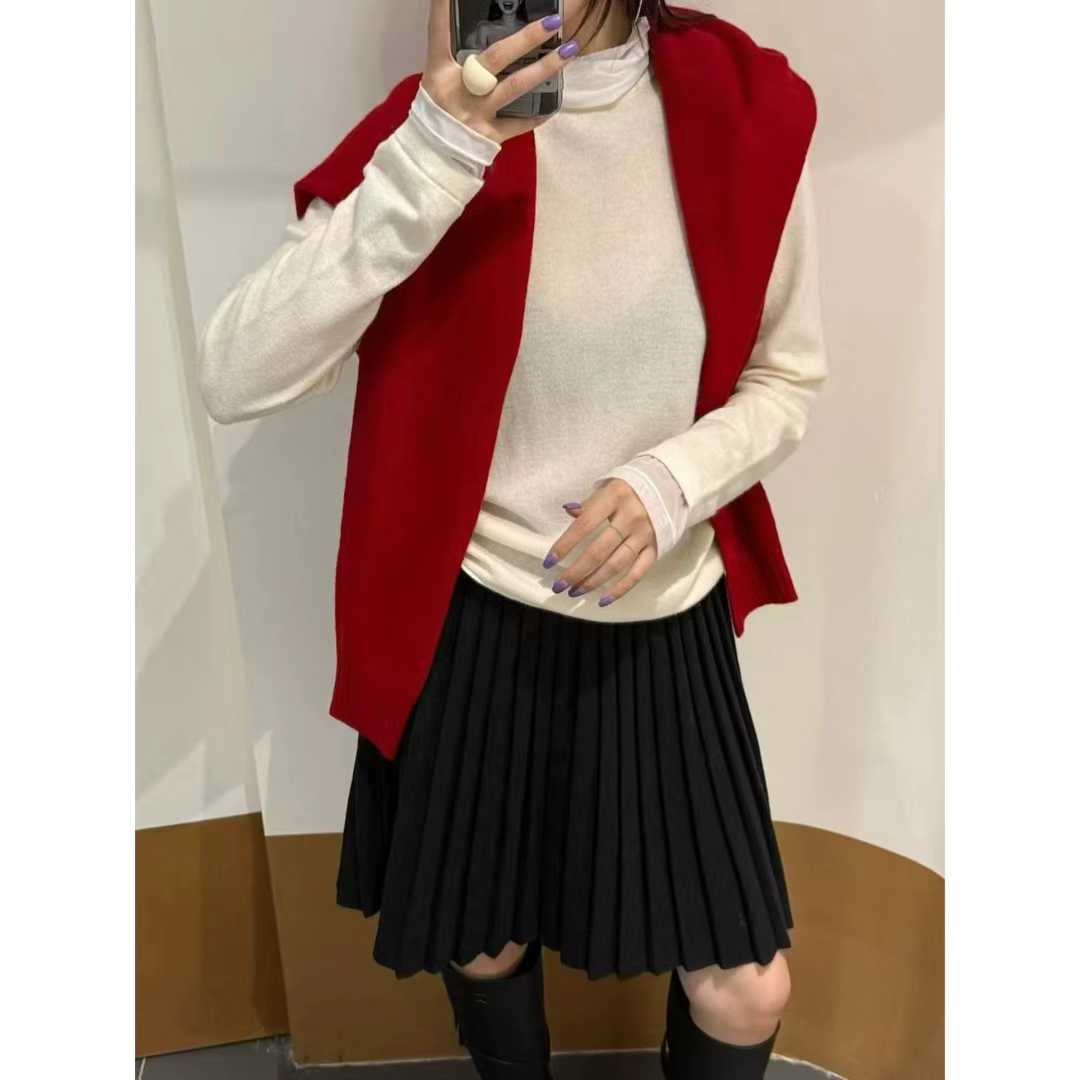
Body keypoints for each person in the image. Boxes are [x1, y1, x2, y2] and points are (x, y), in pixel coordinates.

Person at [198, 1, 826, 1077]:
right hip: (475, 614)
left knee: (744, 985)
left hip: (659, 618)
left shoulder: (745, 104)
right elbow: (234, 373)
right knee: (484, 941)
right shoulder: (430, 130)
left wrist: (672, 482)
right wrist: (437, 153)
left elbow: (785, 376)